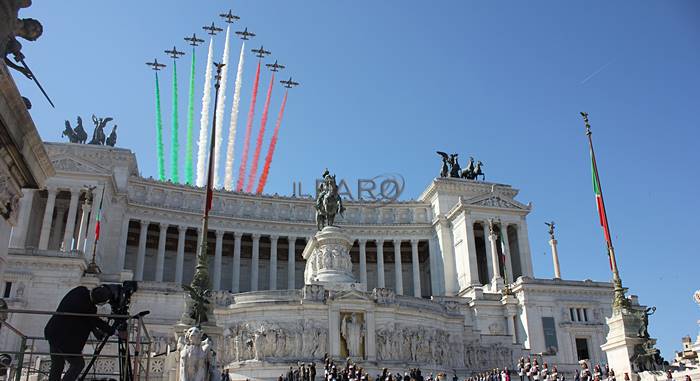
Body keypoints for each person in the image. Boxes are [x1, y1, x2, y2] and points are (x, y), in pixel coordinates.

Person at [44, 285, 114, 381]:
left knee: (57, 365)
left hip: (53, 333)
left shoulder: (80, 291)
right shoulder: (89, 308)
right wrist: (113, 331)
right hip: (65, 340)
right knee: (78, 364)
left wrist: (95, 330)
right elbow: (94, 319)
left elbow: (87, 317)